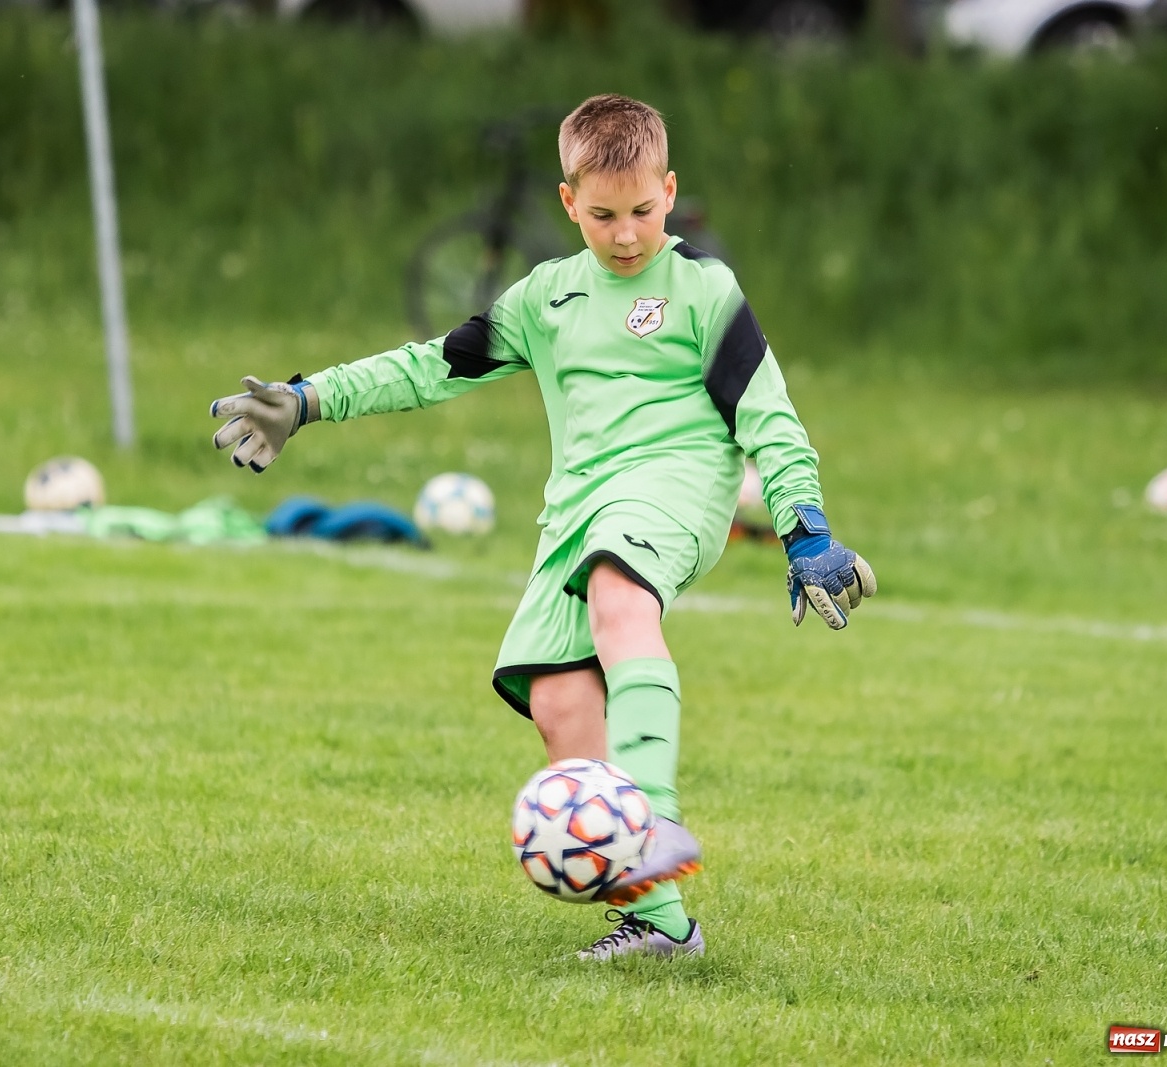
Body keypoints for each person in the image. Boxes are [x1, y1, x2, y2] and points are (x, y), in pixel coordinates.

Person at [209, 94, 876, 960]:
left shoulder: (705, 290)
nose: (627, 233)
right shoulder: (546, 297)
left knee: (617, 592)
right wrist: (307, 399)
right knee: (561, 702)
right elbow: (428, 367)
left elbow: (770, 417)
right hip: (579, 510)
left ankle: (656, 814)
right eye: (603, 214)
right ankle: (664, 921)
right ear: (569, 204)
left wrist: (806, 528)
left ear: (669, 192)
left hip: (675, 491)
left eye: (642, 210)